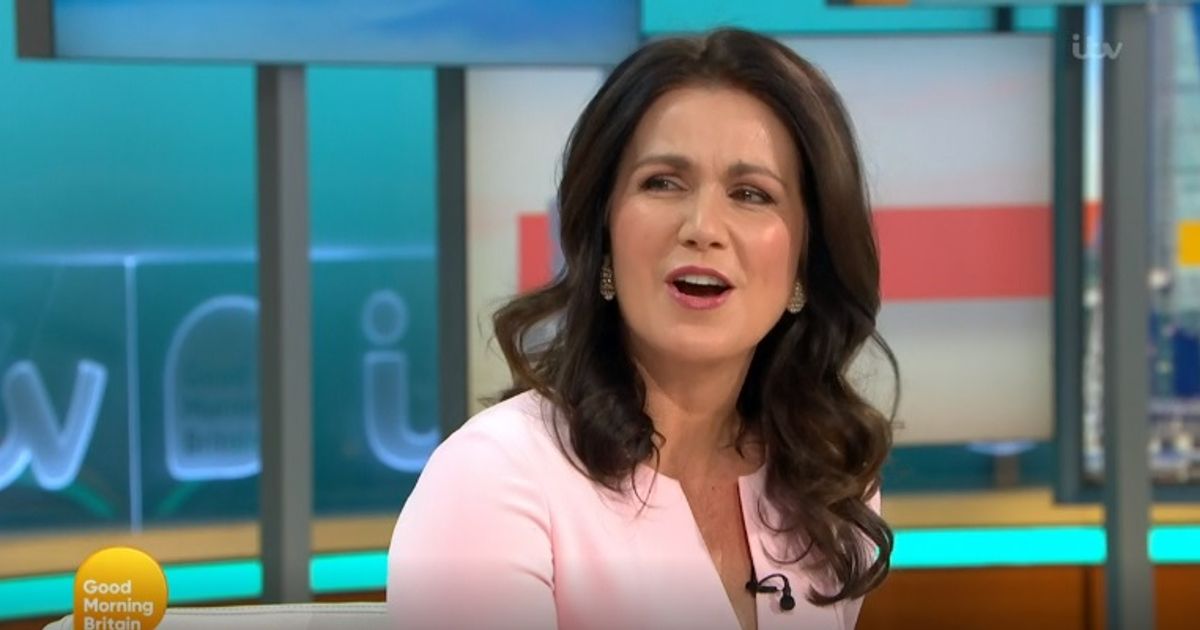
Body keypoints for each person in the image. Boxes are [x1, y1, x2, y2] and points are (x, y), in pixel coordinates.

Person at [387, 27, 897, 630]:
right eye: (662, 182)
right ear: (603, 234)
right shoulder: (495, 479)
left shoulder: (827, 485)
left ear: (806, 261)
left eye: (751, 194)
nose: (702, 227)